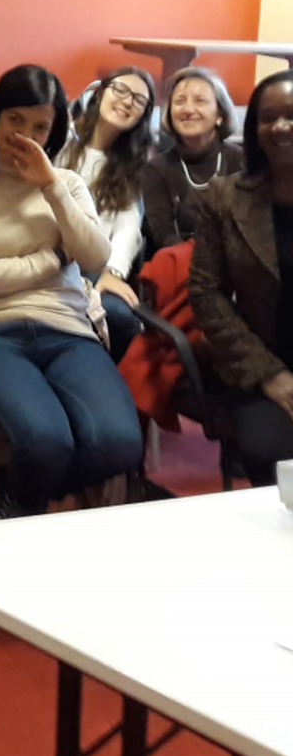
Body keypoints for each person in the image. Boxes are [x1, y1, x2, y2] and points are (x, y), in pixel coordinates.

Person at [0, 64, 142, 520]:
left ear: (54, 132)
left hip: (67, 330)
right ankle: (24, 505)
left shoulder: (67, 185)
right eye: (15, 120)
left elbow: (92, 258)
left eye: (39, 126)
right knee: (46, 439)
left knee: (120, 444)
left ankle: (18, 494)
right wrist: (52, 261)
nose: (24, 135)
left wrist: (51, 187)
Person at [188, 69, 293, 487]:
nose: (281, 126)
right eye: (269, 117)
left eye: (291, 114)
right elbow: (206, 293)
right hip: (260, 363)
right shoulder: (224, 197)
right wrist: (269, 374)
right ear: (254, 128)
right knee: (272, 457)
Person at [57, 67, 155, 361]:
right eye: (121, 90)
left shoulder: (134, 165)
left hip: (95, 264)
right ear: (100, 92)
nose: (127, 101)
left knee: (120, 316)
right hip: (48, 256)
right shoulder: (62, 142)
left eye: (139, 100)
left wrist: (113, 272)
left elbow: (128, 229)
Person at [140, 67, 244, 251]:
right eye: (179, 101)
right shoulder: (156, 168)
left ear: (220, 115)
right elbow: (163, 233)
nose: (188, 110)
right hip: (181, 265)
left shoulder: (242, 161)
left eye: (200, 101)